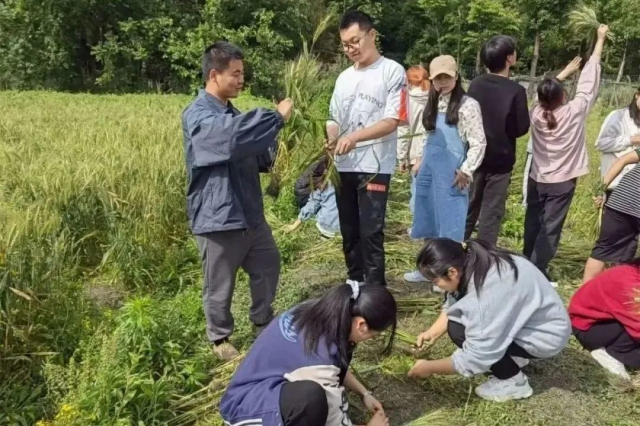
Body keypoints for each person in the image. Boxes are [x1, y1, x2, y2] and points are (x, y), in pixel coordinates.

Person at [181, 41, 293, 361]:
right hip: (218, 217)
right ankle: (220, 339)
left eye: (243, 73)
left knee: (268, 264)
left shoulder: (234, 114)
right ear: (214, 75)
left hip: (250, 215)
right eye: (235, 74)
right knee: (219, 284)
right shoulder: (198, 115)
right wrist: (275, 119)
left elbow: (256, 156)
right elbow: (230, 140)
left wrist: (278, 146)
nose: (241, 80)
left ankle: (261, 321)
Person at [407, 238, 571, 402]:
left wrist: (430, 367)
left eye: (435, 281)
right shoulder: (476, 261)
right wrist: (432, 332)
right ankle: (511, 357)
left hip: (545, 337)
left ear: (452, 272)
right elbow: (455, 299)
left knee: (458, 330)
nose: (436, 287)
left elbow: (478, 354)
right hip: (534, 322)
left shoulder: (486, 295)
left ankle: (513, 382)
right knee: (457, 323)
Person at [219, 282, 396, 426]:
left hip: (258, 390)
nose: (371, 339)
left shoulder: (318, 312)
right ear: (361, 325)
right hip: (246, 410)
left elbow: (333, 368)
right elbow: (334, 416)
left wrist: (365, 393)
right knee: (310, 399)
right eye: (374, 335)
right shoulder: (320, 357)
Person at [327, 10, 407, 287]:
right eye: (346, 44)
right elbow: (334, 118)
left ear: (372, 34)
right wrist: (332, 136)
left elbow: (392, 121)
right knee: (349, 230)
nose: (351, 49)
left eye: (355, 41)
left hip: (375, 166)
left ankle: (375, 289)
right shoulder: (343, 78)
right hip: (344, 166)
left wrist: (355, 137)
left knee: (371, 231)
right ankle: (354, 281)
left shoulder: (392, 72)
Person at [524, 25, 609, 282]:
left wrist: (561, 75)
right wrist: (599, 42)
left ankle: (527, 261)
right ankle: (538, 269)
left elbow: (544, 94)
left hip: (538, 177)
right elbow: (588, 83)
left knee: (533, 221)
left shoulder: (536, 113)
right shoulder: (573, 112)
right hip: (562, 182)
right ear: (562, 96)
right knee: (551, 226)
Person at [403, 55, 486, 286]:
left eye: (446, 77)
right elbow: (425, 135)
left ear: (456, 77)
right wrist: (419, 160)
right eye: (437, 78)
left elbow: (479, 142)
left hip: (452, 173)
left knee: (450, 225)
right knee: (428, 219)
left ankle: (449, 276)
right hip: (429, 170)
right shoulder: (433, 101)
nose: (442, 82)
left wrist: (467, 171)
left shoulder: (468, 105)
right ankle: (426, 269)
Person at [464, 36, 530, 246]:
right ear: (510, 58)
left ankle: (456, 251)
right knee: (491, 213)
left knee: (467, 207)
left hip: (473, 158)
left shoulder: (475, 85)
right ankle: (483, 257)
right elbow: (521, 128)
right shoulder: (516, 90)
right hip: (501, 161)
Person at [569, 260, 640, 380]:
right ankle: (609, 354)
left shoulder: (632, 272)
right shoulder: (629, 282)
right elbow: (637, 325)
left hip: (610, 320)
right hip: (590, 327)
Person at [592, 88, 640, 260]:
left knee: (631, 240)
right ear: (636, 95)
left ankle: (621, 273)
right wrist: (630, 141)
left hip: (634, 189)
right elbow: (601, 143)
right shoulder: (618, 116)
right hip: (615, 181)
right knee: (610, 238)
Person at [583, 148, 640, 281]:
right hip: (627, 202)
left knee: (603, 249)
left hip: (621, 199)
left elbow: (622, 160)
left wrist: (601, 188)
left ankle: (584, 295)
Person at [398, 65, 430, 216]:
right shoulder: (435, 97)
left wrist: (401, 157)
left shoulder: (407, 100)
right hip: (432, 151)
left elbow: (404, 130)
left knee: (417, 189)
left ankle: (418, 227)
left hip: (414, 152)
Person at [286, 156, 340, 238]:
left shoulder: (325, 183)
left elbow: (313, 204)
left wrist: (295, 225)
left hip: (324, 227)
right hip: (343, 230)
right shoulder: (355, 185)